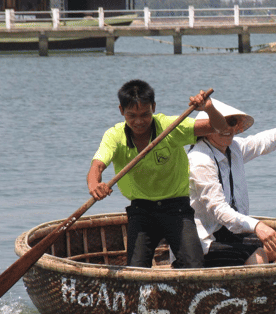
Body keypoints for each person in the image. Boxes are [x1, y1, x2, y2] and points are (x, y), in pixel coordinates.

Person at [87, 80, 230, 269]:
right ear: (121, 110)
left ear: (153, 108)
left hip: (176, 208)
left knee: (194, 265)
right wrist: (94, 186)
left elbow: (221, 128)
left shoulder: (170, 126)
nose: (139, 121)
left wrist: (209, 109)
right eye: (132, 115)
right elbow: (97, 166)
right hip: (141, 210)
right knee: (135, 270)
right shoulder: (114, 136)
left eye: (145, 114)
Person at [188, 99, 276, 266]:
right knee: (258, 256)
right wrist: (257, 226)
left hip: (231, 233)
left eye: (230, 122)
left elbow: (261, 142)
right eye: (219, 124)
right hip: (204, 241)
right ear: (206, 129)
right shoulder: (200, 160)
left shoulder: (234, 148)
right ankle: (261, 291)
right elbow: (219, 210)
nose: (226, 129)